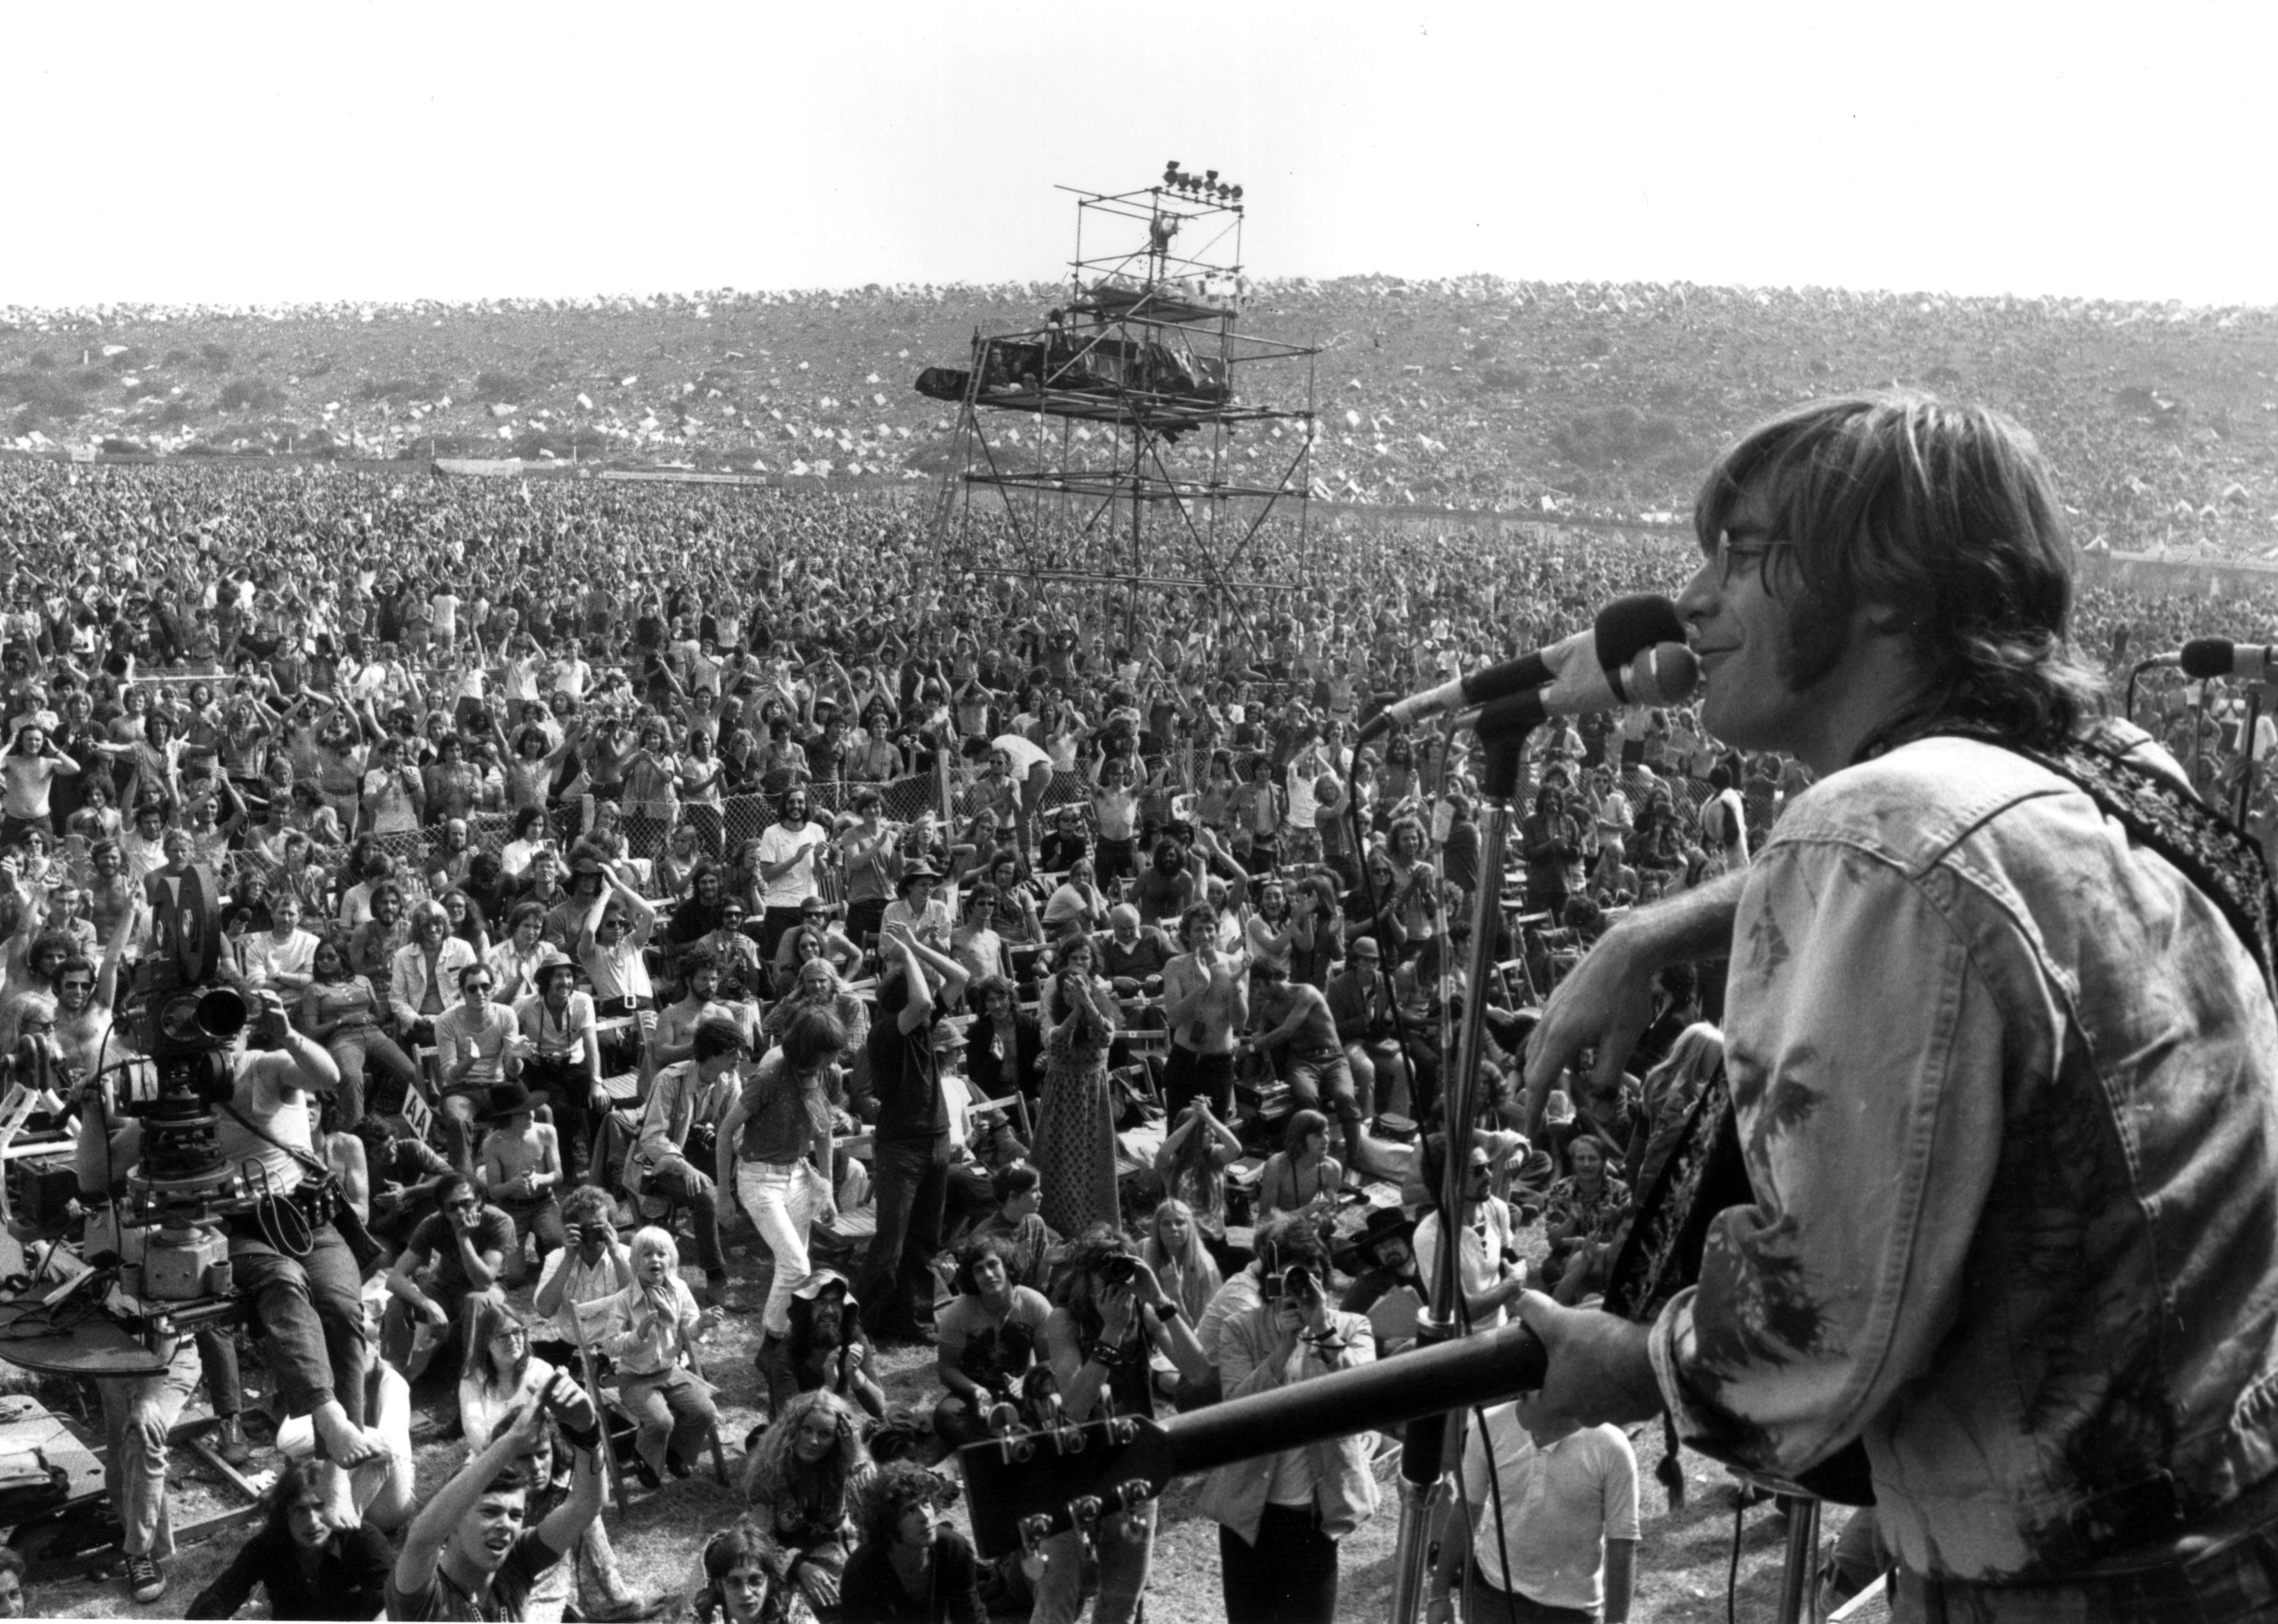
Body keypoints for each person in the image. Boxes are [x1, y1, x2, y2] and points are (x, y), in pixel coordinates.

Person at [1517, 395, 2278, 1617]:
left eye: (1741, 555)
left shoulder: (1873, 834)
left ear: (1884, 587)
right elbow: (1980, 882)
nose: (1691, 600)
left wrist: (1636, 1366)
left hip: (2060, 1591)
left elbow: (1817, 1334)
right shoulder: (2126, 773)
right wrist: (1666, 923)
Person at [1198, 1215, 1379, 1624]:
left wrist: (1321, 1327)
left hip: (1314, 1515)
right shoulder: (1241, 1328)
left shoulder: (1353, 1327)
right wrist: (1281, 1348)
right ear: (1271, 1282)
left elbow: (1364, 1395)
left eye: (1311, 1278)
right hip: (1251, 1514)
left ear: (1326, 1281)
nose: (1301, 1289)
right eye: (1291, 1279)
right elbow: (1234, 1413)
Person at [1032, 1226, 1214, 1624]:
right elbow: (1077, 1406)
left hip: (1132, 1464)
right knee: (1057, 1600)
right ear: (1084, 1278)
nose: (1116, 1285)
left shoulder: (1144, 1315)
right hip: (1072, 1466)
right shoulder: (1064, 1320)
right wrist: (1112, 1332)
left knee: (1120, 1602)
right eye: (1105, 1273)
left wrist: (1161, 1300)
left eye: (1123, 1272)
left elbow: (1199, 1373)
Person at [385, 1377, 604, 1621]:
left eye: (516, 1515)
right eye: (490, 1512)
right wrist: (512, 1442)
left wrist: (588, 1430)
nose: (506, 1524)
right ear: (452, 1523)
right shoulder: (424, 1596)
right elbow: (422, 1540)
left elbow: (585, 1504)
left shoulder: (516, 1563)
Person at [849, 921, 970, 1342]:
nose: (933, 1003)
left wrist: (916, 946)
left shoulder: (919, 1026)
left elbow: (961, 978)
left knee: (922, 1241)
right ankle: (855, 1324)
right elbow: (921, 1001)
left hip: (935, 1140)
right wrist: (906, 956)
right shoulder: (884, 1035)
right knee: (890, 1245)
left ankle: (911, 1321)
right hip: (902, 1147)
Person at [1427, 1390, 1639, 1624]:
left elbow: (1622, 1541)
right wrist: (1439, 1594)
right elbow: (1466, 1511)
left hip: (1572, 1610)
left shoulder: (1610, 1445)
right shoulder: (1489, 1426)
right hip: (1492, 1597)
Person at [716, 1004, 844, 1390]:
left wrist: (828, 1191)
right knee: (796, 1267)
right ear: (808, 1048)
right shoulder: (770, 1076)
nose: (834, 1060)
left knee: (793, 1269)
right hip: (759, 1180)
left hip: (798, 1176)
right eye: (828, 1052)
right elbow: (725, 1133)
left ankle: (788, 1348)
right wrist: (724, 1195)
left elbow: (823, 1134)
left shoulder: (817, 1076)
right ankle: (772, 1344)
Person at [627, 1015, 744, 1311]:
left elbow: (736, 1128)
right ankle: (716, 1279)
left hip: (700, 1155)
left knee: (741, 1181)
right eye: (732, 1053)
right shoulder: (670, 1079)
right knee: (705, 1197)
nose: (740, 1058)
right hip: (661, 1163)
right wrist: (686, 1167)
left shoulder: (729, 1079)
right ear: (712, 1054)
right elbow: (652, 1138)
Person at [185, 1456, 395, 1621]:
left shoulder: (364, 1540)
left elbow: (393, 1604)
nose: (312, 1521)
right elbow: (220, 1597)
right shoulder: (267, 1546)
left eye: (320, 1507)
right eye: (300, 1510)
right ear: (284, 1513)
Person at [600, 1224, 723, 1487]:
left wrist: (702, 1322)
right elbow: (609, 1346)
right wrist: (638, 1335)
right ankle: (644, 1457)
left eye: (661, 1254)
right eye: (646, 1254)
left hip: (671, 1371)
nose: (655, 1260)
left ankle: (676, 1452)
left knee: (706, 1412)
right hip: (635, 1377)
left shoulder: (679, 1289)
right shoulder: (624, 1300)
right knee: (661, 1421)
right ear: (634, 1262)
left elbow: (687, 1327)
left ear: (671, 1260)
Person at [739, 1389, 872, 1618]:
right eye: (807, 1430)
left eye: (825, 1434)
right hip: (783, 1559)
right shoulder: (769, 1474)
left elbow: (873, 1507)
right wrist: (800, 1567)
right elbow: (760, 1541)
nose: (813, 1441)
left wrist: (856, 1454)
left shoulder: (841, 1465)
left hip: (837, 1549)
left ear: (837, 1438)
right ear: (793, 1430)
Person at [382, 1171, 514, 1382]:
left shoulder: (499, 1221)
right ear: (443, 1209)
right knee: (397, 1302)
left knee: (475, 1301)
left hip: (489, 1289)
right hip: (445, 1287)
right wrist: (428, 1305)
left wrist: (463, 1238)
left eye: (467, 1203)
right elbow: (395, 1278)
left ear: (479, 1201)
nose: (461, 1211)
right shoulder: (433, 1224)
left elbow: (484, 1282)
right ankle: (394, 1376)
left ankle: (472, 1377)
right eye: (452, 1207)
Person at [1032, 935, 1120, 1238]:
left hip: (1091, 1091)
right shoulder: (1054, 993)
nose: (1080, 965)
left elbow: (1105, 1037)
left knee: (1093, 1162)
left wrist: (1089, 1005)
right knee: (1060, 1163)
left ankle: (1096, 1228)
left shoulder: (1098, 993)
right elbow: (1054, 1043)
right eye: (1074, 960)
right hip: (1062, 1092)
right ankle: (1060, 1228)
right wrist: (1075, 1011)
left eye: (1085, 959)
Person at [932, 1234, 1051, 1449]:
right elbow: (946, 1368)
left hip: (1024, 1390)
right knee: (946, 1417)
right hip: (975, 1393)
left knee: (1055, 1405)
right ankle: (1009, 1444)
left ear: (1007, 1266)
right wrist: (976, 1390)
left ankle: (999, 1443)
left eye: (993, 1265)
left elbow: (1051, 1362)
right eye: (979, 1269)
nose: (988, 1274)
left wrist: (1026, 1380)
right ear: (971, 1277)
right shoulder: (958, 1312)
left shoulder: (1036, 1305)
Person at [839, 1459, 989, 1624]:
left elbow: (971, 1616)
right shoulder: (861, 1569)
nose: (925, 1517)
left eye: (925, 1503)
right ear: (888, 1522)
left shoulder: (953, 1547)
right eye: (910, 1510)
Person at [531, 1183, 635, 1372]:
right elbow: (545, 1310)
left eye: (599, 1227)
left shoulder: (626, 1256)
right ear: (572, 1229)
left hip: (615, 1346)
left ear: (611, 1226)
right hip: (573, 1346)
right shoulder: (558, 1259)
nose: (593, 1235)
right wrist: (569, 1259)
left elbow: (637, 1302)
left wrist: (615, 1255)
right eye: (586, 1228)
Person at [1160, 900, 1247, 1119]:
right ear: (1187, 935)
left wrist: (1235, 984)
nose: (1206, 935)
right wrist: (1200, 988)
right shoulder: (1175, 967)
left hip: (1219, 1061)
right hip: (1184, 1058)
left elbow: (1239, 1024)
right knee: (1178, 1132)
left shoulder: (1235, 966)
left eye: (1210, 929)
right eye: (1198, 929)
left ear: (1217, 932)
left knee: (1214, 1135)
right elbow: (1173, 1019)